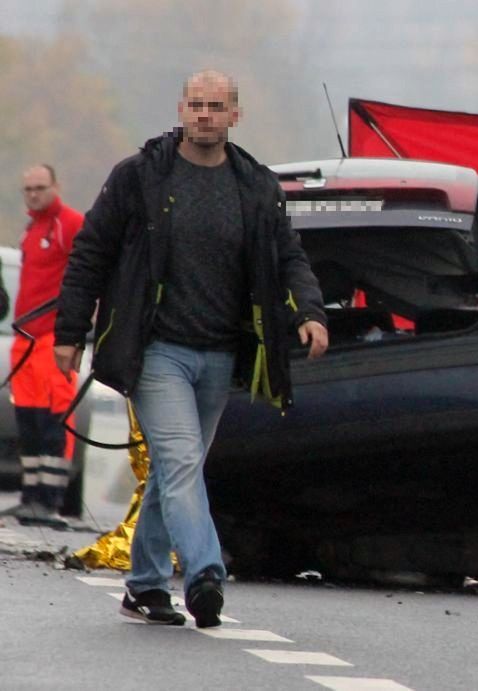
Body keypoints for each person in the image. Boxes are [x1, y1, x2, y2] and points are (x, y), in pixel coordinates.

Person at [54, 70, 329, 627]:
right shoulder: (140, 176)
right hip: (156, 350)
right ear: (182, 109)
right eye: (196, 105)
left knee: (175, 469)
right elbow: (91, 252)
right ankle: (205, 573)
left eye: (216, 106)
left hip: (220, 354)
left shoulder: (256, 186)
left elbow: (289, 256)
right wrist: (69, 330)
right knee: (181, 461)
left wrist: (311, 313)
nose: (204, 115)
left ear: (235, 115)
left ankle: (145, 585)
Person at [0, 164, 84, 528]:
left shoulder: (70, 224)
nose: (34, 194)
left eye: (40, 187)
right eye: (28, 189)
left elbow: (90, 270)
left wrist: (76, 327)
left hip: (53, 338)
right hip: (25, 339)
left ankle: (50, 500)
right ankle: (30, 496)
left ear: (56, 186)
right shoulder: (31, 229)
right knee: (29, 421)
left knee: (55, 420)